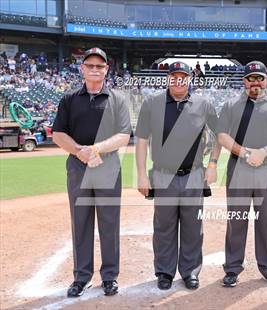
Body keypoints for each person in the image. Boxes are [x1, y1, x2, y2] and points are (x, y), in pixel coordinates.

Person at [52, 47, 131, 297]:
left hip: (107, 166)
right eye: (90, 65)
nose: (95, 69)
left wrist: (95, 149)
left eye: (100, 66)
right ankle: (82, 276)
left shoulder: (118, 99)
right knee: (81, 222)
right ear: (82, 68)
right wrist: (79, 151)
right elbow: (57, 134)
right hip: (78, 166)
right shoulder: (69, 98)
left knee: (109, 223)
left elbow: (123, 135)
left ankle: (109, 276)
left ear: (107, 69)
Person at [136, 61, 221, 291]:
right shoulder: (152, 103)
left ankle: (190, 271)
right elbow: (142, 140)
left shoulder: (203, 103)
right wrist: (142, 175)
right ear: (168, 79)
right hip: (163, 174)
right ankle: (164, 271)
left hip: (194, 174)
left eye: (182, 76)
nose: (178, 80)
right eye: (174, 76)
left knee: (193, 227)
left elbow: (221, 134)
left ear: (189, 79)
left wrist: (213, 164)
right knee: (164, 226)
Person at [216, 61, 267, 288]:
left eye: (260, 78)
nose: (256, 82)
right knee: (237, 220)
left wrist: (263, 152)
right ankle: (232, 268)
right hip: (238, 167)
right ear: (244, 82)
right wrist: (245, 153)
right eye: (251, 78)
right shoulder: (231, 105)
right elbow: (221, 135)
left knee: (265, 220)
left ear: (266, 81)